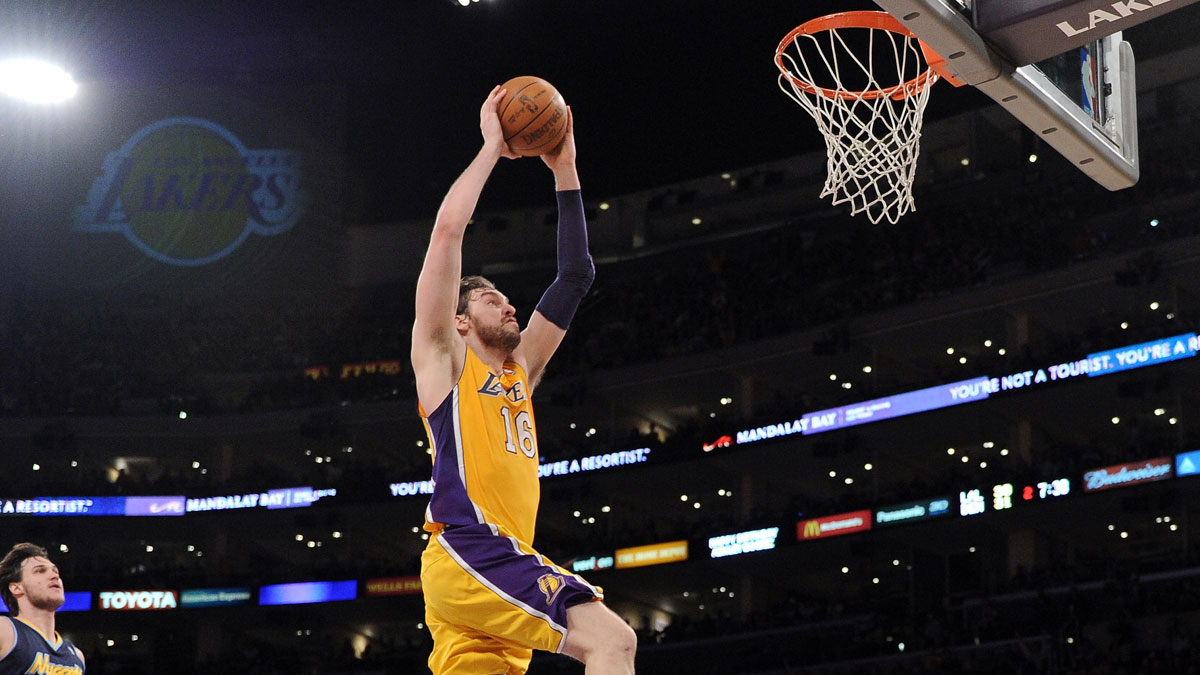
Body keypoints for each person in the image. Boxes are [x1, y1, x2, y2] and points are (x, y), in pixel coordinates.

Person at [411, 86, 637, 675]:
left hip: (491, 572)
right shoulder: (445, 362)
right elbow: (447, 232)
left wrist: (566, 170)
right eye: (492, 299)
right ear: (460, 321)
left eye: (508, 298)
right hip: (471, 549)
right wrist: (491, 146)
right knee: (613, 643)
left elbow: (574, 274)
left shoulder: (521, 370)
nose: (510, 306)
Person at [0, 543, 86, 674]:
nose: (54, 576)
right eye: (40, 571)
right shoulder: (5, 630)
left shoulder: (77, 656)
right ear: (17, 588)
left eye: (55, 571)